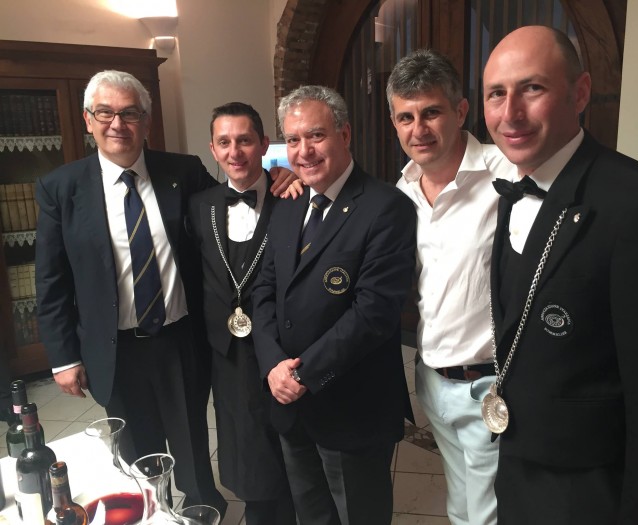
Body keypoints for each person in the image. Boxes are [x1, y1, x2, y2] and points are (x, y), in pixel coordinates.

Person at [483, 25, 638, 524]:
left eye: (532, 88)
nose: (510, 113)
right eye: (496, 93)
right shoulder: (514, 190)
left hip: (595, 493)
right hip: (520, 475)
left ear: (579, 93)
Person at [33, 70, 228, 514]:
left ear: (146, 120)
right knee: (138, 454)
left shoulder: (184, 172)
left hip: (180, 340)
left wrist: (276, 181)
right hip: (114, 349)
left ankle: (202, 512)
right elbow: (51, 280)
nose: (117, 123)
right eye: (105, 112)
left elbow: (230, 208)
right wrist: (63, 357)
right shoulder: (60, 188)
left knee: (193, 445)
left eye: (130, 113)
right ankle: (152, 514)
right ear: (88, 119)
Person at [252, 85, 416, 525]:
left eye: (316, 135)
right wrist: (272, 365)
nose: (303, 151)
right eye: (293, 139)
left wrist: (301, 374)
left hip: (351, 406)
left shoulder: (387, 208)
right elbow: (264, 290)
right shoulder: (287, 205)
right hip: (289, 402)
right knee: (313, 515)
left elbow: (373, 313)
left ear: (345, 134)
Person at [386, 49, 512, 525]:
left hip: (489, 383)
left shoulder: (507, 174)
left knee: (488, 512)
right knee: (459, 500)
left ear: (460, 111)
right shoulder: (401, 192)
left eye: (431, 112)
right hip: (431, 378)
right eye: (406, 117)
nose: (418, 129)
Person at [188, 102, 297, 525]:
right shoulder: (199, 206)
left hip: (283, 345)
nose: (235, 152)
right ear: (213, 150)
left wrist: (291, 175)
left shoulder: (293, 197)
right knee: (242, 439)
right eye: (224, 142)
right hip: (226, 351)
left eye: (245, 140)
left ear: (264, 144)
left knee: (286, 438)